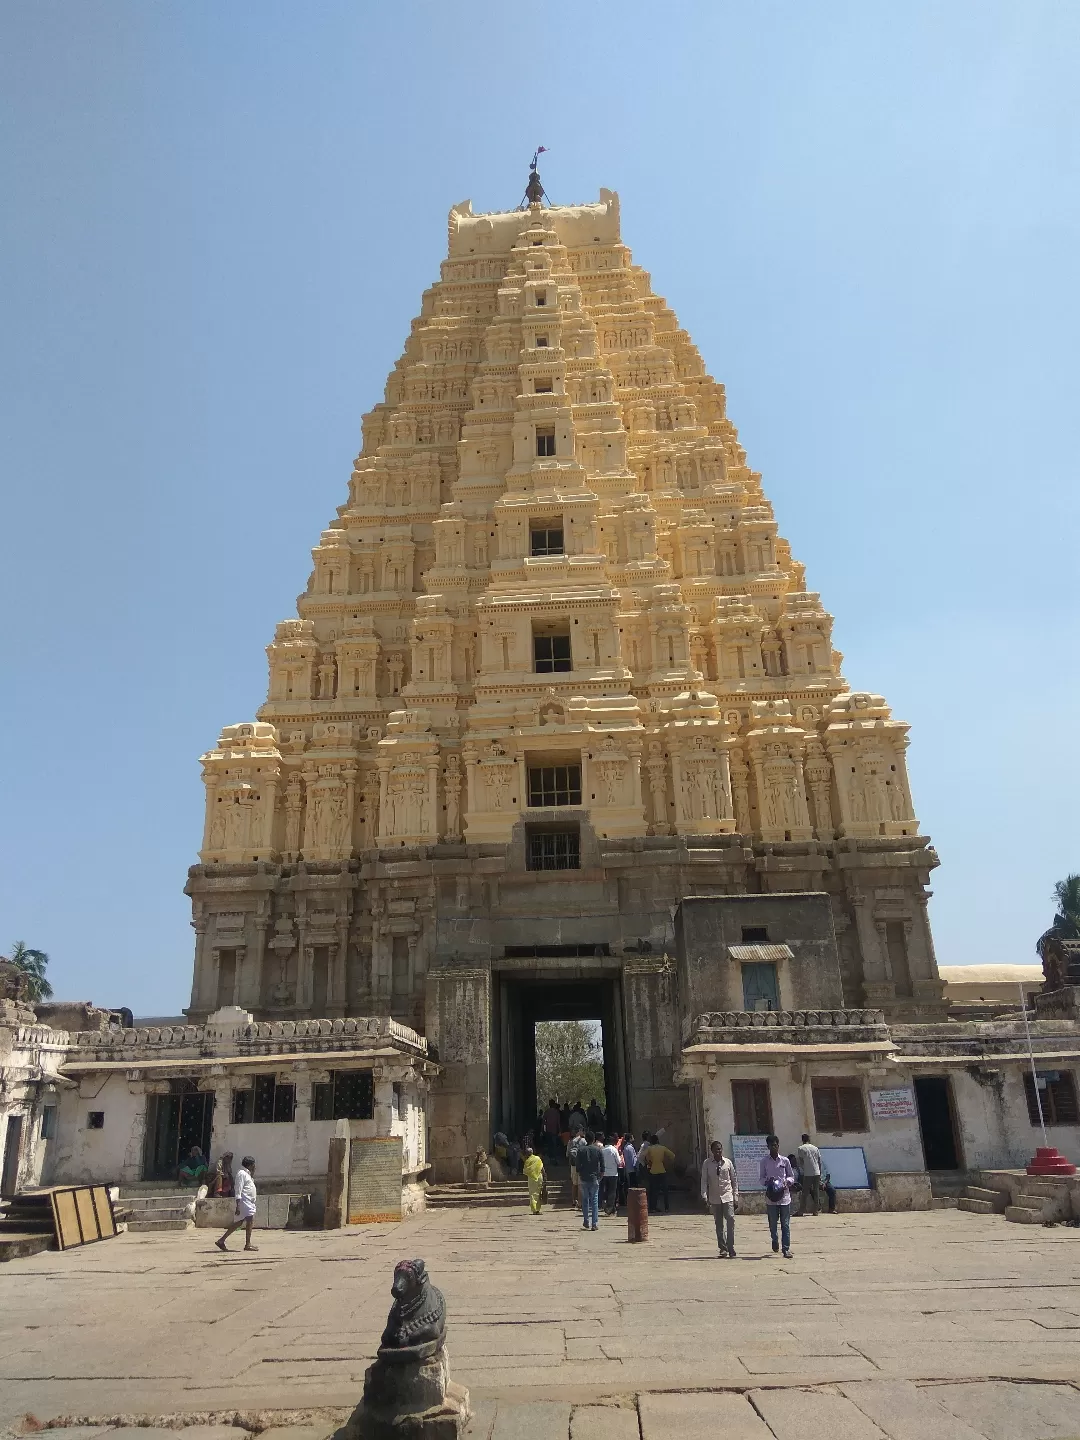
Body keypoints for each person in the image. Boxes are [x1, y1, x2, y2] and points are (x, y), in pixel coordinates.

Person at [700, 1140, 739, 1257]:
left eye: (720, 1149)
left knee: (731, 1219)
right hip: (714, 1197)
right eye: (716, 1149)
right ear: (712, 1151)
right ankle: (723, 1248)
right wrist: (704, 1195)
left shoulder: (728, 1163)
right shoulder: (707, 1164)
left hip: (727, 1196)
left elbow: (734, 1180)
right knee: (719, 1224)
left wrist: (735, 1195)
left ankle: (731, 1246)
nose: (719, 1151)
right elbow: (704, 1180)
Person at [758, 1135, 795, 1259]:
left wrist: (786, 1182)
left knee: (785, 1224)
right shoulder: (764, 1162)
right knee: (773, 1223)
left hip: (784, 1197)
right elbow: (761, 1179)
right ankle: (774, 1239)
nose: (775, 1147)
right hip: (771, 1198)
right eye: (772, 1145)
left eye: (776, 1145)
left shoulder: (785, 1161)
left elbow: (791, 1176)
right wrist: (768, 1181)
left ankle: (786, 1249)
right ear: (768, 1146)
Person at [215, 1155, 258, 1252]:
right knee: (250, 1220)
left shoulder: (247, 1174)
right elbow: (238, 1189)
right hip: (244, 1201)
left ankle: (221, 1240)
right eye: (254, 1165)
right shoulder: (241, 1173)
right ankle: (248, 1244)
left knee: (239, 1222)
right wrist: (238, 1204)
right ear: (250, 1165)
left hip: (248, 1202)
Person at [575, 1128, 603, 1231]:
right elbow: (603, 1166)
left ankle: (586, 1220)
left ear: (586, 1139)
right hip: (594, 1177)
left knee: (585, 1200)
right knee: (594, 1201)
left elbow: (577, 1166)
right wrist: (600, 1176)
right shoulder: (598, 1150)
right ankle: (594, 1223)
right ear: (594, 1139)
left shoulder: (581, 1150)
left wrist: (580, 1173)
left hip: (584, 1177)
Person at [645, 1134, 675, 1214]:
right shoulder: (663, 1148)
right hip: (662, 1170)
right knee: (665, 1190)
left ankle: (653, 1207)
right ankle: (667, 1207)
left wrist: (649, 1163)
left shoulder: (649, 1149)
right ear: (658, 1140)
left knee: (654, 1191)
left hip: (653, 1171)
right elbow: (672, 1156)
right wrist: (667, 1163)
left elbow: (645, 1158)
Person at [796, 1133, 823, 1216]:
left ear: (802, 1140)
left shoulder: (800, 1148)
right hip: (817, 1172)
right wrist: (820, 1172)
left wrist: (804, 1169)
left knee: (805, 1193)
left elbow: (801, 1161)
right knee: (816, 1192)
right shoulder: (815, 1148)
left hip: (808, 1173)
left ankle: (801, 1211)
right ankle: (816, 1211)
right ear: (809, 1139)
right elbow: (819, 1161)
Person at [567, 1126, 587, 1211]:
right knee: (580, 1184)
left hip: (573, 1165)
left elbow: (567, 1155)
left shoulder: (570, 1142)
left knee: (574, 1184)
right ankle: (580, 1203)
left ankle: (573, 1201)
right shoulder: (583, 1141)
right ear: (580, 1131)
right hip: (581, 1165)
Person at [522, 1142, 546, 1215]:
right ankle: (537, 1209)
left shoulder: (527, 1161)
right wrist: (545, 1176)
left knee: (532, 1194)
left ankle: (534, 1209)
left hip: (532, 1178)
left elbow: (525, 1171)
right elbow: (542, 1168)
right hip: (539, 1177)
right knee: (538, 1193)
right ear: (532, 1152)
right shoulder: (537, 1158)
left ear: (526, 1154)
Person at [601, 1134, 621, 1215]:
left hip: (604, 1173)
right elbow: (619, 1162)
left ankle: (608, 1206)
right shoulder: (614, 1150)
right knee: (612, 1191)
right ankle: (610, 1207)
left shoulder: (602, 1150)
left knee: (606, 1190)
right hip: (613, 1174)